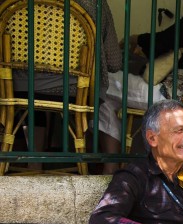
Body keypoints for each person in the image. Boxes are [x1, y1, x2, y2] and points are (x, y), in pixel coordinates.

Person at [9, 0, 121, 171]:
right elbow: (114, 63)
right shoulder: (96, 4)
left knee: (34, 94)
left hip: (19, 85)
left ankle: (34, 162)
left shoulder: (13, 2)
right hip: (75, 89)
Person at [98, 0, 183, 174]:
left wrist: (137, 39)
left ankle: (111, 166)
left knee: (104, 80)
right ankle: (111, 165)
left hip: (170, 95)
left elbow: (167, 39)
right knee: (105, 99)